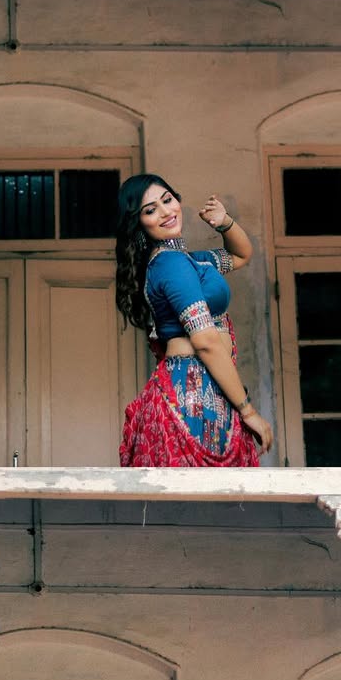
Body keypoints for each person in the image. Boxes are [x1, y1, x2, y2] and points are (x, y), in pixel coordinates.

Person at [115, 174, 274, 467]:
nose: (165, 212)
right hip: (193, 394)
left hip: (203, 388)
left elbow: (240, 254)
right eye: (150, 210)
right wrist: (248, 411)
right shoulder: (171, 264)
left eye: (167, 200)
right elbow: (205, 342)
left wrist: (224, 222)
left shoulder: (188, 260)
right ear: (139, 223)